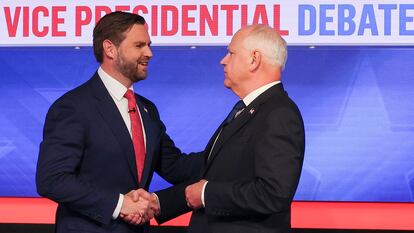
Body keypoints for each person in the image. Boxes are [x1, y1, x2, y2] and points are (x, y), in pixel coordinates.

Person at [36, 11, 201, 233]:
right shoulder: (73, 107)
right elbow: (52, 180)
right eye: (139, 45)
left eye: (149, 45)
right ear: (110, 49)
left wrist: (225, 149)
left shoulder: (147, 110)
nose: (149, 53)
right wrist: (119, 204)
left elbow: (175, 167)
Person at [136, 24, 305, 233]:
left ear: (254, 59)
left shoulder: (279, 114)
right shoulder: (249, 110)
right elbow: (216, 172)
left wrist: (206, 194)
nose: (223, 60)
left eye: (231, 53)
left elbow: (272, 194)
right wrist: (160, 202)